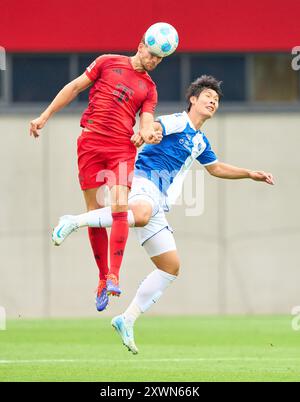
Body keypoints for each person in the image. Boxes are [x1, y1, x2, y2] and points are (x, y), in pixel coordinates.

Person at [52, 75, 274, 354]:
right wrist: (149, 132)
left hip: (160, 201)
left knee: (170, 266)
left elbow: (216, 168)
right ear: (193, 99)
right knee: (141, 213)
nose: (212, 102)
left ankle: (126, 319)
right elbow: (154, 126)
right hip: (143, 181)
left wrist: (249, 174)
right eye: (208, 97)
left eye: (216, 100)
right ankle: (73, 220)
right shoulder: (178, 121)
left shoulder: (200, 141)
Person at [29, 31, 165, 312]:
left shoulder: (149, 88)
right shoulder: (107, 62)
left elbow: (147, 121)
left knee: (119, 208)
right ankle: (102, 277)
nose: (153, 60)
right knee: (93, 210)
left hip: (121, 149)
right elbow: (74, 87)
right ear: (140, 46)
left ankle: (114, 274)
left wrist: (146, 133)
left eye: (159, 58)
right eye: (151, 53)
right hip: (90, 143)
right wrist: (44, 116)